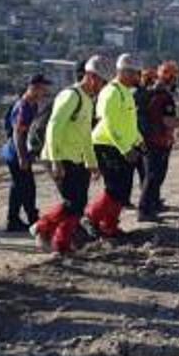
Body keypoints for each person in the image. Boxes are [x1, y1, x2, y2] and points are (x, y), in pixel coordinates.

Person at [32, 56, 110, 254]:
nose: (102, 87)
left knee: (79, 204)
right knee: (72, 202)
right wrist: (56, 160)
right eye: (101, 82)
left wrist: (91, 163)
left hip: (76, 158)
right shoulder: (71, 96)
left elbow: (85, 135)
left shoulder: (87, 101)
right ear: (91, 76)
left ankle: (62, 244)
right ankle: (42, 227)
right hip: (59, 156)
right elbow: (54, 127)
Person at [85, 54, 145, 239]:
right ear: (125, 72)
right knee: (114, 188)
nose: (138, 77)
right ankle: (91, 218)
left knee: (123, 190)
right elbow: (109, 123)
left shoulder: (126, 92)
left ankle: (110, 225)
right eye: (135, 73)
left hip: (122, 146)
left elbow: (128, 121)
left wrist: (138, 139)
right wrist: (124, 148)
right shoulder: (111, 92)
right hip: (107, 146)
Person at [1, 74, 51, 233]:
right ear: (34, 87)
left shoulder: (32, 105)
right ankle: (31, 219)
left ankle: (14, 220)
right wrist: (22, 157)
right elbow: (18, 133)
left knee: (19, 187)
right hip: (16, 153)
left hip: (17, 153)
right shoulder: (23, 106)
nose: (45, 91)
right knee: (27, 187)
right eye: (43, 88)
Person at [138, 61, 179, 222]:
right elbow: (167, 121)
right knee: (153, 175)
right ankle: (144, 210)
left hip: (149, 138)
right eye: (174, 77)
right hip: (158, 140)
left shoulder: (150, 92)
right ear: (171, 77)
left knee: (154, 175)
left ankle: (154, 204)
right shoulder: (165, 97)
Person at [133, 66, 159, 190]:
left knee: (139, 168)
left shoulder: (133, 91)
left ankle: (143, 194)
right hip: (143, 132)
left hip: (136, 132)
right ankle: (147, 196)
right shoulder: (141, 93)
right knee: (145, 168)